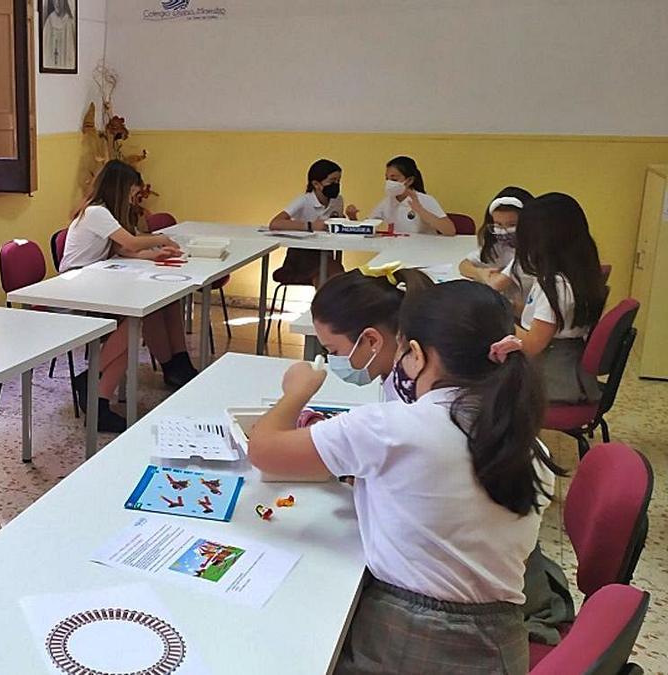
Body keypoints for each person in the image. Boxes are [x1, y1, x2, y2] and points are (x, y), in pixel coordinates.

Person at [249, 281, 561, 673]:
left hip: (414, 638)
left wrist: (296, 391)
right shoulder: (527, 441)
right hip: (499, 644)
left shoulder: (392, 427)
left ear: (414, 353)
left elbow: (263, 450)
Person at [60, 160, 198, 432]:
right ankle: (94, 381)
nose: (133, 199)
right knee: (133, 325)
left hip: (97, 276)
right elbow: (132, 242)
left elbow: (122, 250)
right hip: (76, 283)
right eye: (131, 193)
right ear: (120, 188)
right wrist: (161, 241)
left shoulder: (104, 212)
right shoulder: (96, 212)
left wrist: (154, 255)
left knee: (133, 327)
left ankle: (96, 391)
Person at [507, 192, 607, 403]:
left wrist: (500, 317)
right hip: (567, 365)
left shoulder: (556, 286)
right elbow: (543, 316)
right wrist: (511, 307)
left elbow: (532, 345)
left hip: (554, 378)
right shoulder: (576, 272)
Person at [310, 263, 434, 398]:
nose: (332, 360)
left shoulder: (412, 397)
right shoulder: (406, 376)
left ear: (372, 340)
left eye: (334, 351)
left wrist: (295, 397)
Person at [267, 159, 354, 285]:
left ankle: (327, 303)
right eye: (332, 181)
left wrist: (351, 220)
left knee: (331, 275)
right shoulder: (304, 200)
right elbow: (275, 223)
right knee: (333, 272)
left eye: (338, 181)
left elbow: (338, 226)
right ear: (316, 184)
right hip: (301, 256)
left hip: (326, 252)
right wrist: (310, 225)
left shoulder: (338, 201)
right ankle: (330, 303)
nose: (336, 184)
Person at [459, 186, 533, 285]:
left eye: (512, 225)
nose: (503, 232)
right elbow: (464, 265)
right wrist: (480, 273)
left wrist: (489, 277)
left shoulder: (532, 252)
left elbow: (497, 284)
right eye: (498, 224)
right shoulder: (498, 246)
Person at [367, 156, 455, 235]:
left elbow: (450, 230)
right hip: (399, 248)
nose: (389, 183)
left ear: (409, 180)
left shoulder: (425, 199)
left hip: (424, 250)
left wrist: (420, 210)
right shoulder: (388, 201)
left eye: (394, 179)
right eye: (387, 179)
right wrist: (353, 218)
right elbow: (367, 225)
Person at [42, 0, 76, 71]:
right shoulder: (49, 21)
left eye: (59, 0)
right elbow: (44, 47)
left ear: (64, 2)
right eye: (54, 1)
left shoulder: (70, 22)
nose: (57, 3)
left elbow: (72, 51)